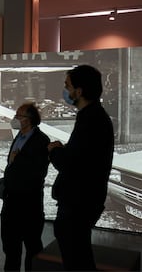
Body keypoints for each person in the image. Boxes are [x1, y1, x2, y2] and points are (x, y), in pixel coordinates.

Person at [48, 65, 114, 271]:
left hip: (79, 202)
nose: (65, 91)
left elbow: (71, 165)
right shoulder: (93, 117)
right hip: (83, 200)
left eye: (67, 86)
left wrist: (54, 150)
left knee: (77, 259)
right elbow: (83, 158)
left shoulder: (91, 120)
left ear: (79, 90)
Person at [0, 102, 50, 272]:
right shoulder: (18, 136)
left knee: (33, 247)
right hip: (11, 201)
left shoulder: (42, 140)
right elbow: (12, 163)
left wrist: (16, 160)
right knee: (11, 248)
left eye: (19, 116)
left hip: (30, 204)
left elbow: (37, 171)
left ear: (29, 120)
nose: (15, 118)